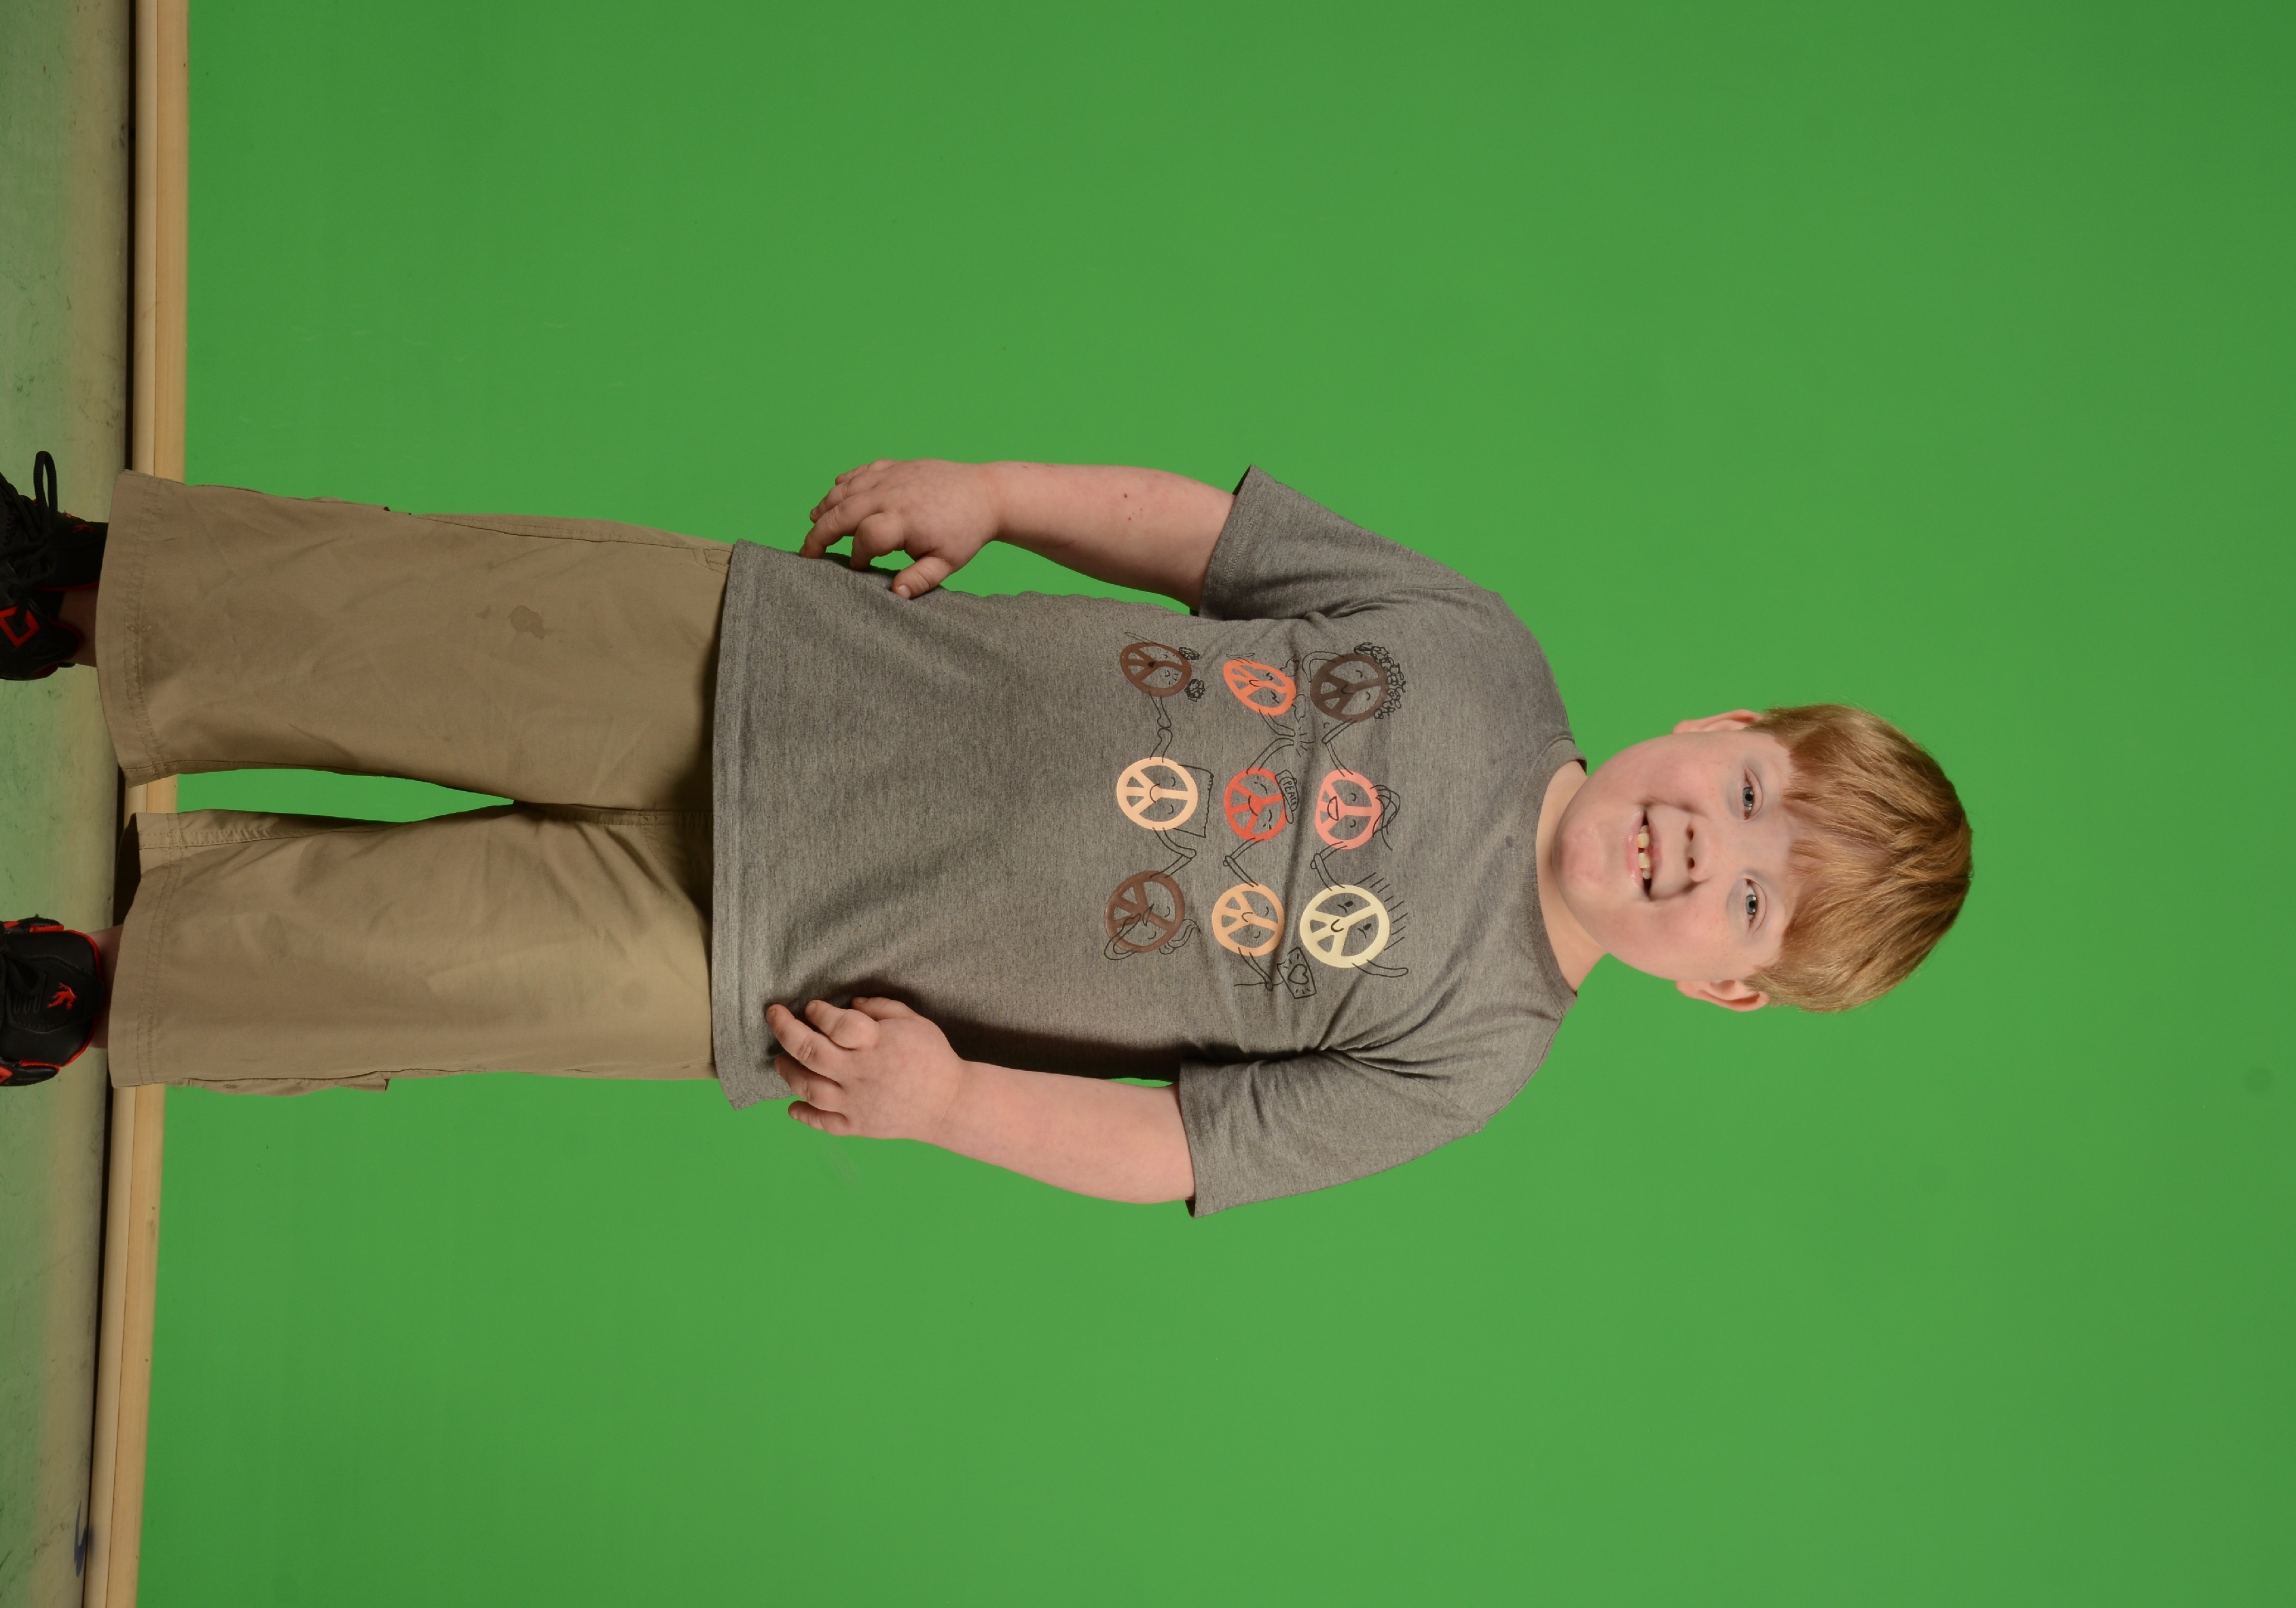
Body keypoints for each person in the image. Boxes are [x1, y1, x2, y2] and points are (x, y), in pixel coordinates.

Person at [0, 453, 1971, 1213]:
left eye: (1747, 901)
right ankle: (80, 593)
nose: (1695, 850)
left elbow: (1182, 1143)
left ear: (1724, 988)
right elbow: (1220, 543)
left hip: (778, 957)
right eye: (1744, 800)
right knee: (425, 625)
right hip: (787, 663)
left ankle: (94, 987)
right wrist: (1000, 495)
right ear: (1719, 727)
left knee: (433, 964)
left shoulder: (1472, 1051)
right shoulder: (1474, 651)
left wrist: (946, 1103)